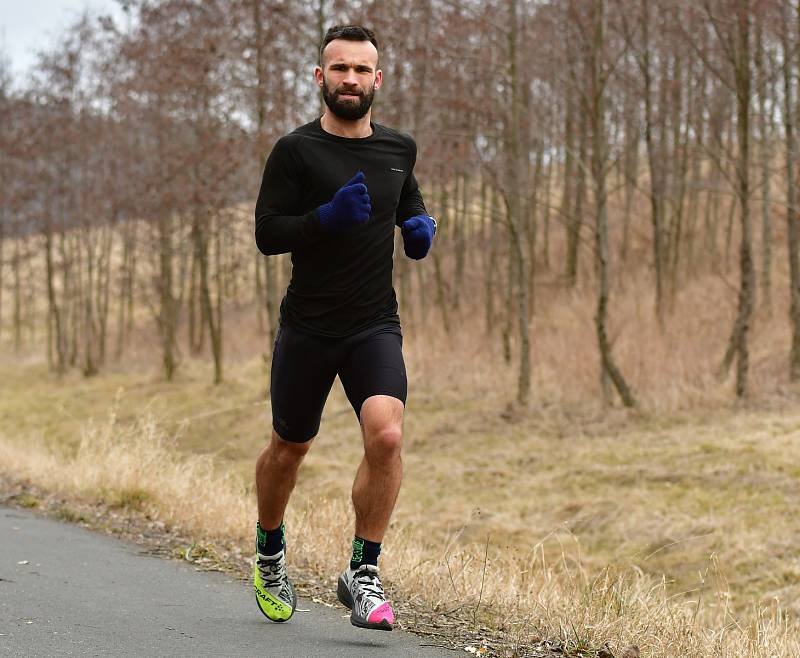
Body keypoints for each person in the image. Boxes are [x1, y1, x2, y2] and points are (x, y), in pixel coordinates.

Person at [252, 24, 436, 632]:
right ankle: (271, 552)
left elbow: (406, 201)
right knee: (289, 449)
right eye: (339, 69)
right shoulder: (295, 151)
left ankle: (363, 572)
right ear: (319, 77)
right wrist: (323, 220)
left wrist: (419, 227)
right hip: (307, 325)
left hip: (372, 324)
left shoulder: (398, 149)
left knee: (386, 437)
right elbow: (267, 233)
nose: (350, 80)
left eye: (361, 71)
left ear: (377, 80)